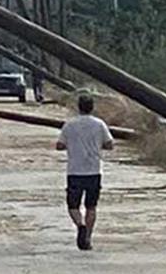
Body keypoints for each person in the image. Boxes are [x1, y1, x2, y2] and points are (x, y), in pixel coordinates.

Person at [55, 94, 114, 250]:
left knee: (73, 206)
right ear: (92, 107)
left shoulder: (70, 125)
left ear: (78, 107)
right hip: (94, 170)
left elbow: (59, 145)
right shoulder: (99, 124)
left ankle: (80, 225)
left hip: (75, 171)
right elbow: (110, 144)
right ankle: (87, 237)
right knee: (91, 207)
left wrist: (72, 146)